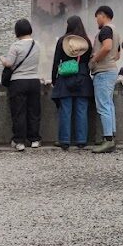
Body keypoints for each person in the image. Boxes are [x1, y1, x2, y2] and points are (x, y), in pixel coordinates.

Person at [50, 15, 93, 150]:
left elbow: (57, 61)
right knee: (81, 110)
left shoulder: (63, 41)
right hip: (83, 77)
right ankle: (81, 140)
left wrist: (54, 79)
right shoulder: (86, 41)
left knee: (65, 110)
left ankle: (64, 141)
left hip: (66, 76)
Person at [0, 18, 41, 151]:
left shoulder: (16, 46)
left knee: (19, 112)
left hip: (18, 82)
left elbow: (9, 63)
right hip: (34, 81)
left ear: (17, 31)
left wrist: (2, 59)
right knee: (34, 111)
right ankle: (34, 139)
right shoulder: (37, 44)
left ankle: (19, 141)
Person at [89, 6, 120, 153]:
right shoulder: (116, 31)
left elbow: (107, 47)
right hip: (112, 69)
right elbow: (117, 54)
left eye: (97, 17)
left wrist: (94, 59)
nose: (96, 20)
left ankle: (107, 140)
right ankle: (111, 137)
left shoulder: (105, 30)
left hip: (103, 71)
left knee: (103, 106)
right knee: (109, 104)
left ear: (103, 15)